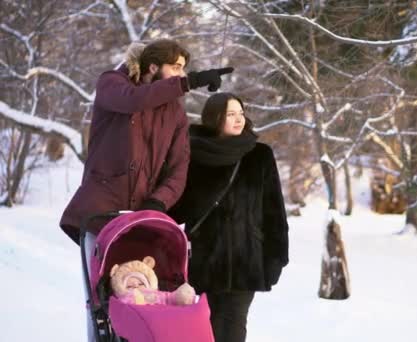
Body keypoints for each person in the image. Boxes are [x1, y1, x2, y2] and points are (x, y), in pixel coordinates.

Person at [59, 39, 232, 341]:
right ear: (153, 67)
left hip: (143, 221)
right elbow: (134, 100)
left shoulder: (175, 115)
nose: (181, 74)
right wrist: (189, 82)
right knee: (102, 304)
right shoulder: (113, 84)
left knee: (148, 300)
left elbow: (179, 169)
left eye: (184, 70)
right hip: (100, 212)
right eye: (176, 68)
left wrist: (158, 201)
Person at [170, 93, 289, 342]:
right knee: (205, 330)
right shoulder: (193, 156)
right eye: (230, 114)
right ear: (214, 118)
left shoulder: (259, 156)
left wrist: (277, 258)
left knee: (233, 328)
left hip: (244, 262)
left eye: (241, 113)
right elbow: (179, 209)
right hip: (204, 262)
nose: (239, 119)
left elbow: (274, 212)